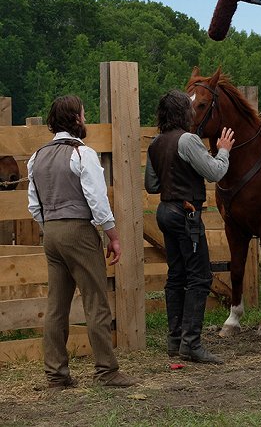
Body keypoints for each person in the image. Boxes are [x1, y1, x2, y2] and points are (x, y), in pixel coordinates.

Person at [27, 95, 138, 388]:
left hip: (50, 232)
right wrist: (113, 235)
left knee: (56, 306)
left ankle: (56, 374)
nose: (85, 120)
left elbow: (33, 204)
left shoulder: (36, 157)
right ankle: (106, 371)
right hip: (79, 231)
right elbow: (97, 200)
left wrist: (49, 226)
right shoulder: (82, 153)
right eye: (83, 115)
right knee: (96, 301)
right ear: (76, 119)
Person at [145, 90, 235, 364]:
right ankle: (191, 344)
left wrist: (174, 179)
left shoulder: (156, 142)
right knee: (200, 277)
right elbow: (215, 172)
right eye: (190, 107)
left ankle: (175, 341)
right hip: (187, 215)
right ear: (183, 112)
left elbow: (152, 185)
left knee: (177, 275)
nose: (194, 111)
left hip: (165, 211)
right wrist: (223, 151)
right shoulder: (189, 140)